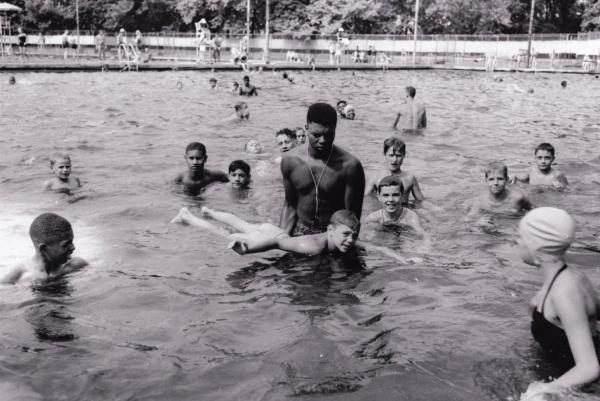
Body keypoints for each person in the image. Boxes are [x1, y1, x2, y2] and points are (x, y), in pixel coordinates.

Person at [517, 207, 600, 398]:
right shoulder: (570, 277)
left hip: (584, 387)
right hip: (562, 373)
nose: (517, 241)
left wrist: (542, 390)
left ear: (536, 245)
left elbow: (589, 368)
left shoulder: (564, 291)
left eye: (521, 236)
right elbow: (592, 312)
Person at [171, 208, 407, 262]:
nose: (351, 240)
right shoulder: (313, 246)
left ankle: (209, 211)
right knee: (228, 235)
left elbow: (380, 249)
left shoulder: (345, 240)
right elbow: (277, 242)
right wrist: (249, 249)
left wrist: (404, 260)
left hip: (275, 230)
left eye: (354, 235)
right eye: (346, 234)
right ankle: (189, 217)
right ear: (330, 230)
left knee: (240, 222)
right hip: (273, 236)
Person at [280, 102, 365, 236]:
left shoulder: (350, 166)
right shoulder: (290, 161)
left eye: (329, 134)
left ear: (335, 129)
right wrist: (281, 240)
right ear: (306, 129)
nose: (323, 140)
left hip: (333, 236)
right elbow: (290, 206)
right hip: (300, 232)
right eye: (317, 135)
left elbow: (352, 217)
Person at [0, 213, 88, 284]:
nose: (73, 247)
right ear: (43, 249)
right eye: (66, 245)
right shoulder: (22, 275)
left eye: (72, 241)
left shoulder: (76, 265)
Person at [365, 137, 425, 205]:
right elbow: (365, 199)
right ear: (385, 154)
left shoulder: (409, 179)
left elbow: (421, 201)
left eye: (398, 155)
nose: (395, 160)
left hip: (403, 212)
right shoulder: (376, 177)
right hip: (382, 212)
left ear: (404, 156)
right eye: (391, 155)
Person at [467, 162, 532, 218]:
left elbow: (533, 211)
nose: (496, 183)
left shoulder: (518, 198)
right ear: (486, 181)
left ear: (506, 179)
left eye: (500, 179)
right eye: (491, 179)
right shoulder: (481, 201)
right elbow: (469, 220)